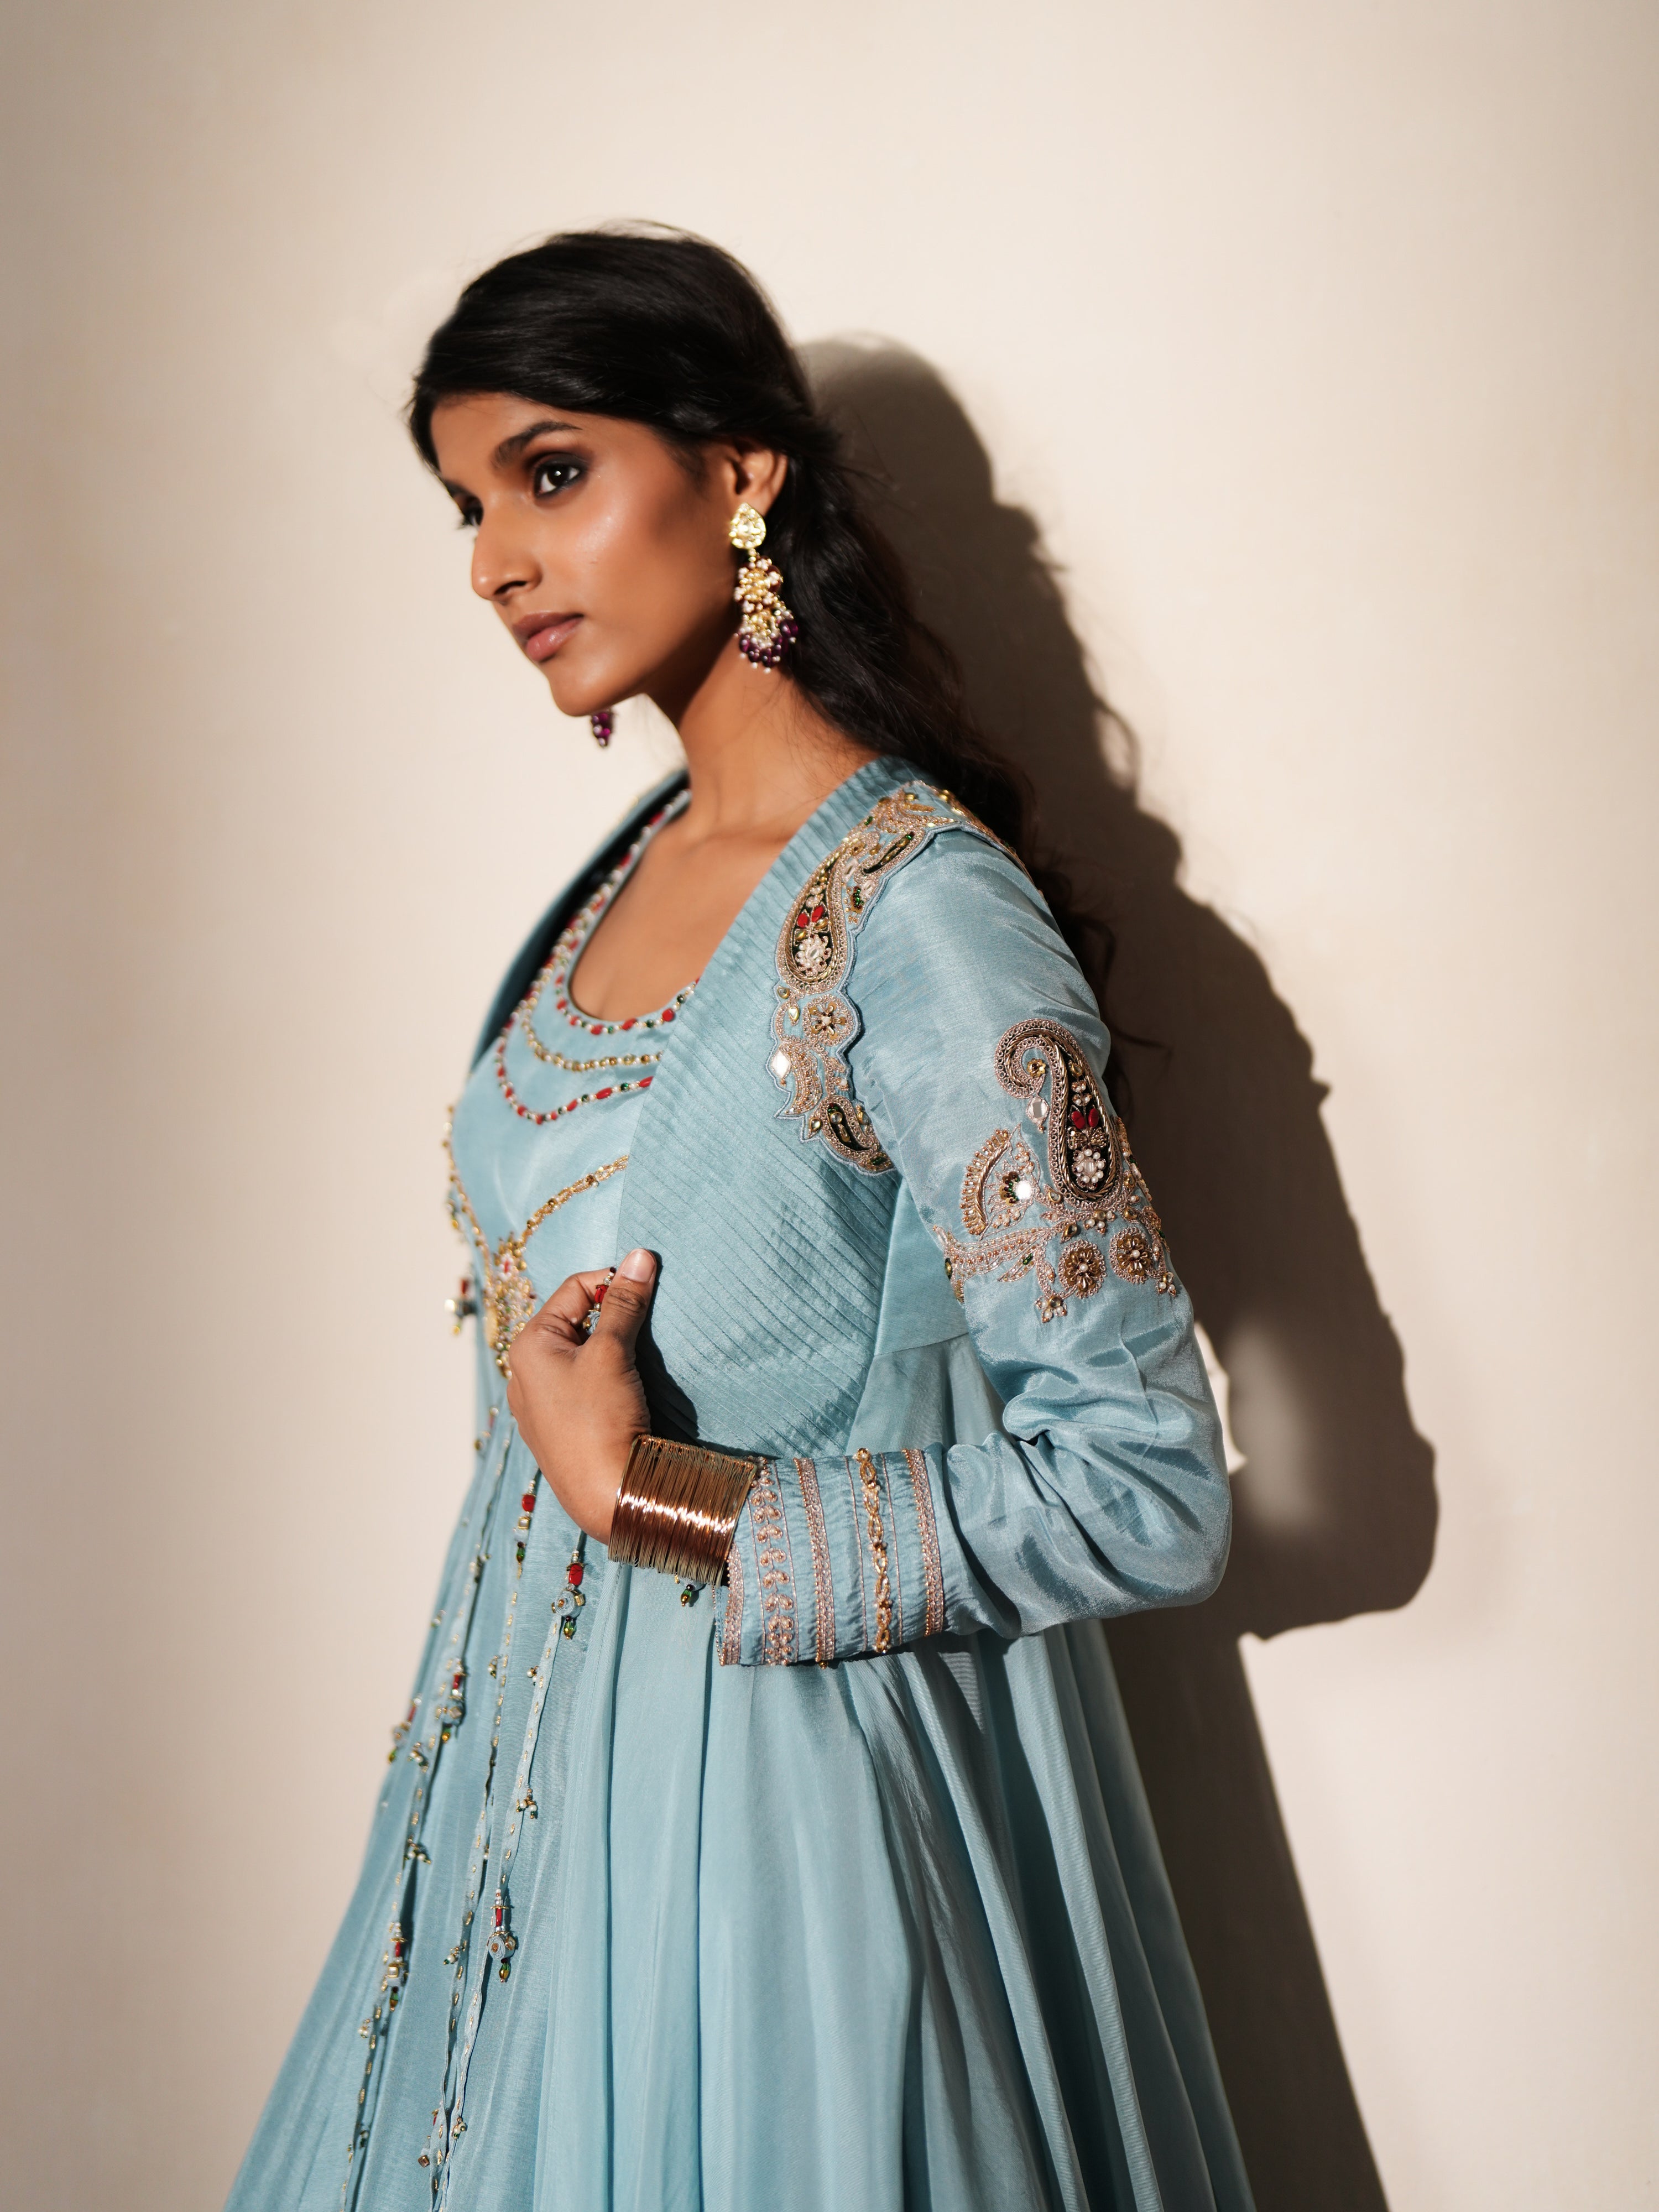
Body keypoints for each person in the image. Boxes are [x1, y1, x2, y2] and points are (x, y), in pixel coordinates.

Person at [225, 226, 1254, 2212]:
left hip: (795, 1847)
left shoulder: (924, 919)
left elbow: (1147, 1485)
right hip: (512, 1824)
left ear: (742, 472)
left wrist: (662, 1501)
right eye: (466, 506)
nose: (492, 565)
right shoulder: (625, 878)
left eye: (549, 474)